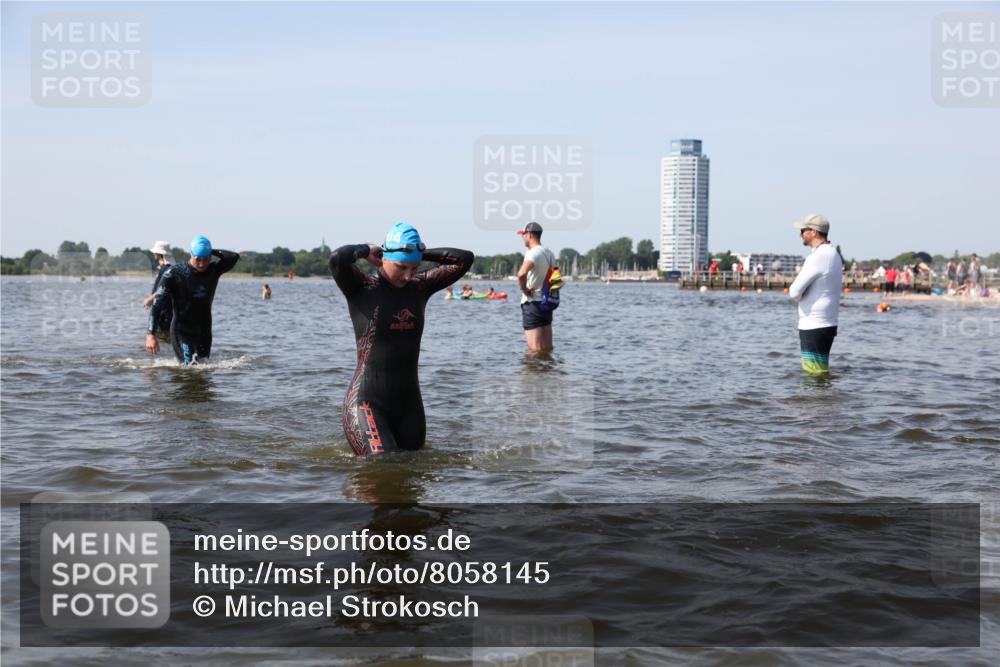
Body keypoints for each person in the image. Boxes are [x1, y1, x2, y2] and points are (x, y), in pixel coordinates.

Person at [330, 222, 473, 455]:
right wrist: (367, 250)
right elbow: (338, 258)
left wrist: (417, 251)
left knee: (412, 472)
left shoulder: (420, 287)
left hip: (409, 407)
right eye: (401, 266)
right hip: (367, 403)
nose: (408, 276)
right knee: (383, 466)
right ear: (384, 257)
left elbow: (464, 259)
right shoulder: (362, 287)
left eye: (414, 268)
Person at [145, 236, 240, 364]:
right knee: (190, 367)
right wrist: (150, 334)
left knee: (204, 367)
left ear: (210, 257)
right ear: (191, 254)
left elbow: (233, 257)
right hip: (181, 330)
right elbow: (157, 305)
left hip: (204, 331)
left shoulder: (214, 270)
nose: (201, 264)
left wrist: (209, 250)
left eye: (205, 259)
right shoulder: (174, 273)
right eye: (198, 259)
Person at [788, 214, 843, 376]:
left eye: (803, 230)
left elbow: (794, 292)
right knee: (820, 372)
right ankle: (823, 401)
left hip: (814, 324)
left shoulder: (818, 256)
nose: (800, 234)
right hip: (826, 323)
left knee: (813, 375)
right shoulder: (833, 253)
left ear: (813, 232)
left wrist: (801, 294)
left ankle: (816, 402)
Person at [516, 222, 556, 354]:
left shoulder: (532, 253)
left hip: (532, 304)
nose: (522, 237)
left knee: (535, 352)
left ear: (530, 235)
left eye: (523, 235)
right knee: (547, 350)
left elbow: (521, 274)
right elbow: (556, 279)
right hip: (546, 304)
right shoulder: (549, 253)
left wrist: (525, 290)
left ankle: (535, 374)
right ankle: (548, 374)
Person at [143, 240, 175, 341]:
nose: (153, 254)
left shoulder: (167, 269)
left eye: (155, 252)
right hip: (164, 310)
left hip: (165, 311)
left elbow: (164, 290)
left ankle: (165, 357)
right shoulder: (165, 268)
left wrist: (150, 299)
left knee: (163, 338)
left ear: (159, 254)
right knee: (163, 339)